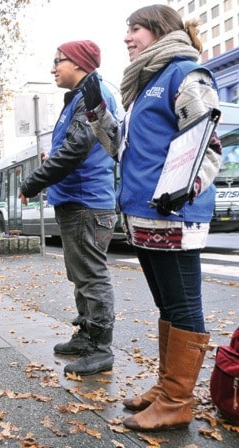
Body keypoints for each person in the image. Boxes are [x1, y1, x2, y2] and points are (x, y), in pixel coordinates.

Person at [84, 5, 222, 431]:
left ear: (160, 30)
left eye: (136, 29)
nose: (127, 37)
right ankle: (166, 390)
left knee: (183, 306)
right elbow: (124, 150)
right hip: (145, 215)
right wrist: (98, 117)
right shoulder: (146, 84)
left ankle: (178, 401)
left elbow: (208, 143)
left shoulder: (185, 74)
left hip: (174, 214)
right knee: (168, 304)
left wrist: (187, 188)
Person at [18, 40, 119, 376]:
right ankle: (86, 335)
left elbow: (76, 149)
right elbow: (74, 146)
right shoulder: (79, 97)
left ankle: (100, 349)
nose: (53, 68)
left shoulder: (94, 93)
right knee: (80, 276)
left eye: (57, 61)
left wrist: (32, 183)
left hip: (86, 202)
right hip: (76, 200)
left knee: (91, 278)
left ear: (77, 62)